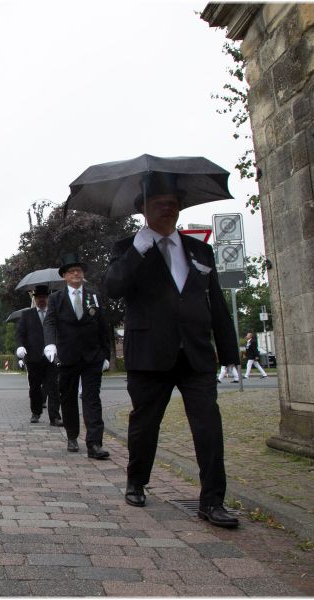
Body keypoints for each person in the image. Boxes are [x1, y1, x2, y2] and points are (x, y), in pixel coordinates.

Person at [103, 172, 240, 528]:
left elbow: (216, 303)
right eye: (160, 204)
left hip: (195, 352)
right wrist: (138, 248)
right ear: (144, 209)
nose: (168, 209)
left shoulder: (199, 250)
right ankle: (136, 481)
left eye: (173, 203)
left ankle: (212, 501)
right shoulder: (127, 248)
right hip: (150, 353)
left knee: (209, 427)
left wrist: (229, 355)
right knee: (145, 425)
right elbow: (113, 287)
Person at [43, 256, 111, 459]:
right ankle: (72, 436)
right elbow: (50, 322)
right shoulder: (56, 298)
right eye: (72, 271)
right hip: (67, 356)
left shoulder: (93, 296)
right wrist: (50, 343)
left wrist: (106, 354)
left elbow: (102, 325)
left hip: (92, 356)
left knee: (92, 399)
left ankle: (94, 443)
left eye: (79, 270)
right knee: (68, 398)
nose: (76, 273)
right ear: (64, 275)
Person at [16, 284, 62, 426]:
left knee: (53, 386)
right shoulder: (27, 315)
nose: (41, 300)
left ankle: (55, 416)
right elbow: (20, 334)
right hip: (33, 356)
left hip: (51, 357)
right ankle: (36, 412)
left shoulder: (54, 314)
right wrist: (20, 346)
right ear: (35, 299)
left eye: (44, 297)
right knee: (34, 387)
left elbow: (60, 332)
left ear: (48, 298)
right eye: (39, 297)